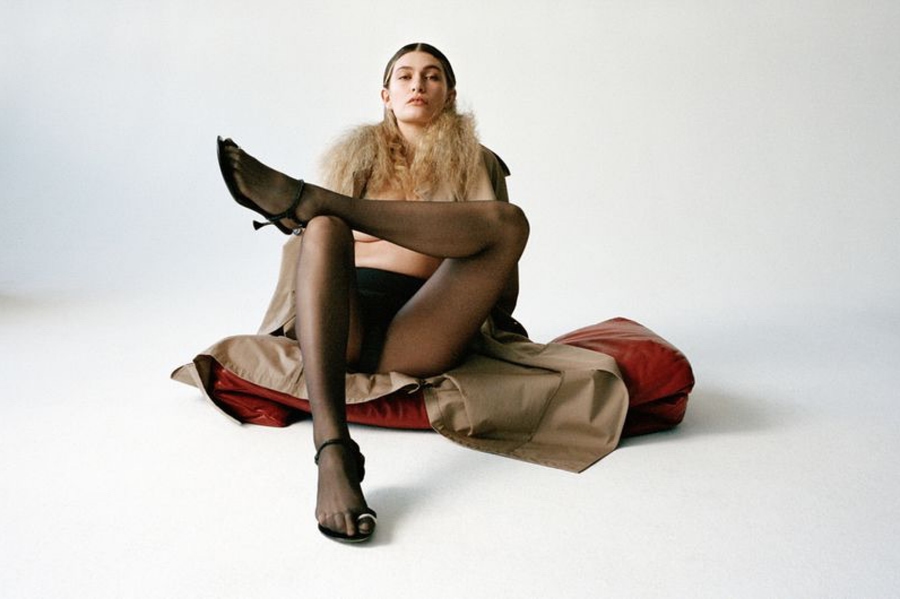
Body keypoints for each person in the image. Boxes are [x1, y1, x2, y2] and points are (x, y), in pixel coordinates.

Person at [216, 43, 530, 543]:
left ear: (450, 95)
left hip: (422, 325)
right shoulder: (358, 158)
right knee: (322, 228)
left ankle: (311, 201)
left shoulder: (474, 159)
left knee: (508, 222)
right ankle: (333, 452)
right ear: (386, 95)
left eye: (432, 76)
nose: (417, 84)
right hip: (342, 323)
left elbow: (492, 246)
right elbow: (321, 252)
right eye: (404, 76)